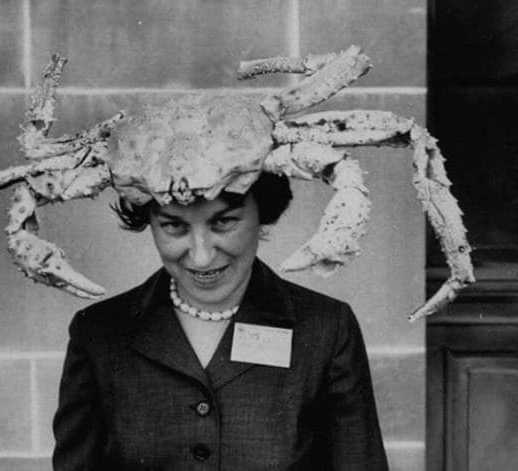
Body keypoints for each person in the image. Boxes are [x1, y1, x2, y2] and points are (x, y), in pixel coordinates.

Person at [52, 171, 389, 470]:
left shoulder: (326, 327)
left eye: (224, 222)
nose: (201, 256)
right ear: (150, 222)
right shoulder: (97, 332)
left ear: (262, 212)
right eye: (174, 226)